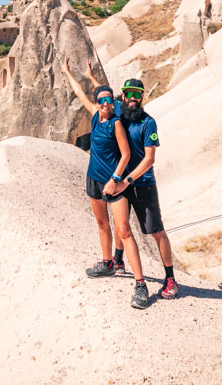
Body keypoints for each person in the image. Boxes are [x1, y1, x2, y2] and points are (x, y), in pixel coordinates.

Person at [61, 59, 150, 309]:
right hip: (93, 180)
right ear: (97, 103)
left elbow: (126, 156)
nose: (106, 104)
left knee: (124, 230)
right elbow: (80, 92)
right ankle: (109, 262)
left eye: (109, 101)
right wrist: (72, 72)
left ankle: (141, 284)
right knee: (102, 223)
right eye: (102, 101)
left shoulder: (117, 121)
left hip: (115, 184)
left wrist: (115, 180)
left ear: (114, 103)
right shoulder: (93, 115)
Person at [85, 69, 178, 300]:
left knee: (156, 232)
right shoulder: (120, 113)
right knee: (121, 227)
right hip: (122, 183)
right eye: (129, 93)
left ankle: (170, 278)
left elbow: (149, 160)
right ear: (123, 97)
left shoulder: (148, 123)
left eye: (138, 93)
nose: (133, 97)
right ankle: (117, 261)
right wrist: (91, 78)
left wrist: (125, 181)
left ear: (142, 96)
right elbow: (103, 97)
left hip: (141, 184)